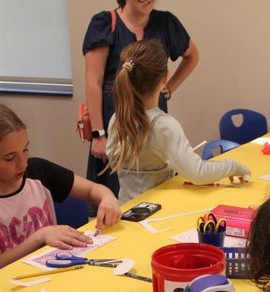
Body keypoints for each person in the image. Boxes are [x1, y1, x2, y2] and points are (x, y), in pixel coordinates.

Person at [0, 102, 121, 278]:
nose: (23, 163)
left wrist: (107, 198)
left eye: (25, 149)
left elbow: (93, 190)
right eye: (10, 158)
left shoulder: (37, 170)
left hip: (49, 274)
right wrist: (40, 236)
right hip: (4, 285)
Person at [106, 40, 249, 203]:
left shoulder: (117, 119)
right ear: (164, 77)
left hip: (125, 211)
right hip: (157, 215)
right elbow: (198, 173)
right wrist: (233, 167)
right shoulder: (163, 125)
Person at [83, 0, 200, 197]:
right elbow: (93, 81)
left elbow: (192, 56)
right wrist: (99, 134)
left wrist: (168, 88)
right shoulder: (104, 23)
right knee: (116, 198)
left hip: (152, 122)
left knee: (156, 194)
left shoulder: (166, 22)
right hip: (116, 124)